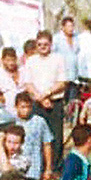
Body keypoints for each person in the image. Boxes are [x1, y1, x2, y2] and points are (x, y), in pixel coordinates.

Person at [22, 31, 67, 163]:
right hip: (37, 103)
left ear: (50, 44)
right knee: (36, 135)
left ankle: (55, 167)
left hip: (54, 103)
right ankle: (38, 166)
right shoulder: (31, 61)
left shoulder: (58, 59)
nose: (42, 47)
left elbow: (62, 82)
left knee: (55, 137)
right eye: (39, 44)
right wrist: (40, 98)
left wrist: (47, 94)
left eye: (45, 44)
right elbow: (28, 83)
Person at [14, 91, 55, 180]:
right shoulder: (12, 122)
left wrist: (48, 168)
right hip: (15, 167)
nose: (26, 110)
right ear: (16, 107)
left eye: (28, 107)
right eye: (23, 107)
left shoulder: (39, 122)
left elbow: (47, 144)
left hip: (34, 168)